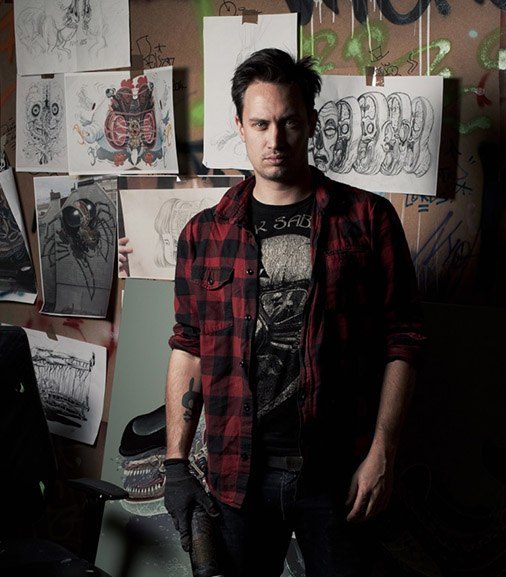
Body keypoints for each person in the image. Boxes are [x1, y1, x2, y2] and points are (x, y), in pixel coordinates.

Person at [121, 48, 424, 576]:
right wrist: (175, 464)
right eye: (260, 124)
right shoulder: (205, 233)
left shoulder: (367, 219)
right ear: (240, 126)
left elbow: (404, 340)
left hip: (338, 472)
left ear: (311, 122)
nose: (275, 139)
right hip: (238, 475)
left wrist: (383, 452)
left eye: (289, 122)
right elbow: (189, 346)